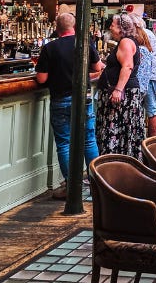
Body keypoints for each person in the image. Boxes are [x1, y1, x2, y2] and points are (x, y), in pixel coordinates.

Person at [35, 12, 104, 199]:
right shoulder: (84, 43)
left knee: (64, 143)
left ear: (57, 27)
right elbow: (98, 68)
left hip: (60, 99)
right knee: (89, 140)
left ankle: (71, 187)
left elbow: (41, 78)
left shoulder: (50, 48)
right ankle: (98, 183)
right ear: (74, 26)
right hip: (84, 97)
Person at [95, 12, 145, 159]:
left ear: (122, 28)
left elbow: (127, 66)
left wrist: (118, 89)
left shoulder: (126, 42)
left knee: (116, 129)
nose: (110, 27)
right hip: (126, 93)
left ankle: (115, 165)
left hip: (123, 96)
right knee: (123, 130)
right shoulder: (128, 41)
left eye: (113, 25)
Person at [132, 14, 156, 137]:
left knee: (151, 109)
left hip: (150, 75)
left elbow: (143, 59)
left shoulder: (143, 34)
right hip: (151, 75)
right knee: (149, 108)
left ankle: (152, 142)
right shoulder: (147, 33)